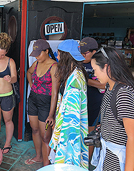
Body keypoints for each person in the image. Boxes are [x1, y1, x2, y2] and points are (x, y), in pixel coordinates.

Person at [91, 47, 134, 171]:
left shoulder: (123, 93)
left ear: (107, 67)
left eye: (95, 70)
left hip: (118, 161)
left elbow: (133, 137)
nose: (94, 75)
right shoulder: (110, 88)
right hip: (108, 157)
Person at [49, 39, 88, 169]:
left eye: (59, 54)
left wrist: (61, 139)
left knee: (67, 165)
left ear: (66, 55)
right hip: (66, 129)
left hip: (70, 135)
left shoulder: (75, 79)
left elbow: (72, 120)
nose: (57, 56)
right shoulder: (72, 73)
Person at [24, 39, 59, 166]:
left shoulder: (54, 66)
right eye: (35, 54)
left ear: (47, 51)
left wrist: (51, 114)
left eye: (39, 53)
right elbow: (29, 72)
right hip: (33, 100)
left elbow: (55, 93)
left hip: (46, 103)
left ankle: (46, 165)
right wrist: (31, 84)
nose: (37, 57)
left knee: (46, 137)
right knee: (34, 130)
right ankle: (38, 156)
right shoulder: (36, 64)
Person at [80, 37, 105, 158]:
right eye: (81, 52)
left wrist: (85, 80)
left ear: (94, 52)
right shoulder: (78, 62)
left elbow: (103, 84)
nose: (82, 55)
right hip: (78, 103)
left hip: (94, 104)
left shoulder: (100, 64)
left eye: (85, 53)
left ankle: (86, 162)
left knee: (89, 134)